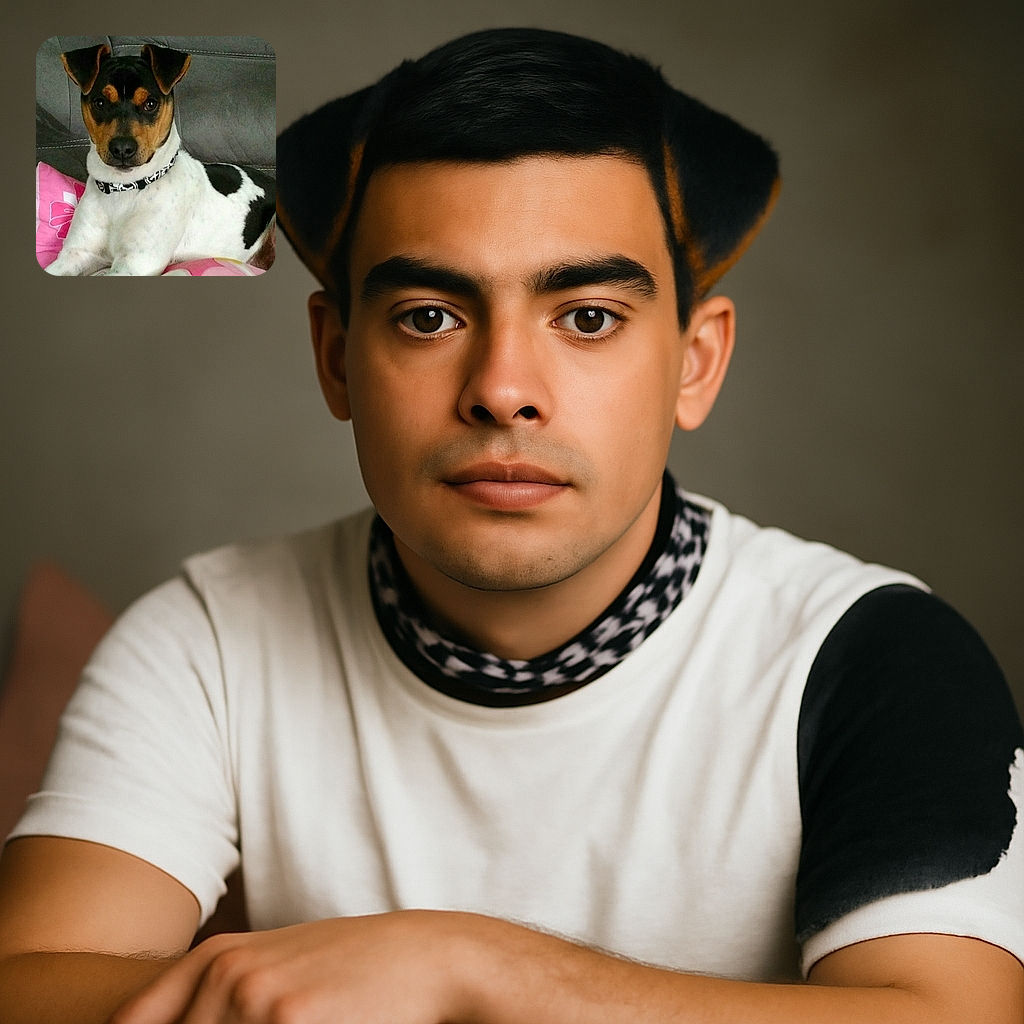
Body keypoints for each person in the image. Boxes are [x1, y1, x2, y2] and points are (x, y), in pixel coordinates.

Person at [1, 26, 1021, 1024]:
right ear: (337, 358)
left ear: (696, 361)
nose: (501, 390)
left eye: (586, 316)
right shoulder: (207, 639)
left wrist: (472, 965)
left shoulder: (873, 654)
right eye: (429, 316)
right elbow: (28, 983)